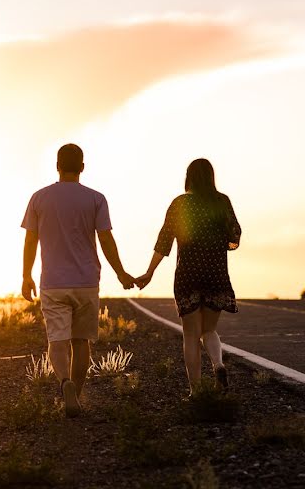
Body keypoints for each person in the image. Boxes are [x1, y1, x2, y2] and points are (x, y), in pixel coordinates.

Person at [21, 143, 135, 417]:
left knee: (57, 341)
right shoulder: (95, 199)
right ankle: (78, 394)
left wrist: (26, 275)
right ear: (82, 167)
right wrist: (120, 272)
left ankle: (65, 382)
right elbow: (105, 238)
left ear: (57, 166)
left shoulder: (39, 198)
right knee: (81, 341)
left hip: (53, 282)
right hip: (86, 281)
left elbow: (31, 239)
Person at [135, 158, 241, 394]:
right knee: (209, 330)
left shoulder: (180, 204)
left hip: (188, 274)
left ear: (188, 177)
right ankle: (218, 364)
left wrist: (149, 272)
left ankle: (196, 391)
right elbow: (235, 235)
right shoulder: (221, 201)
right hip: (216, 274)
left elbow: (164, 241)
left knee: (191, 335)